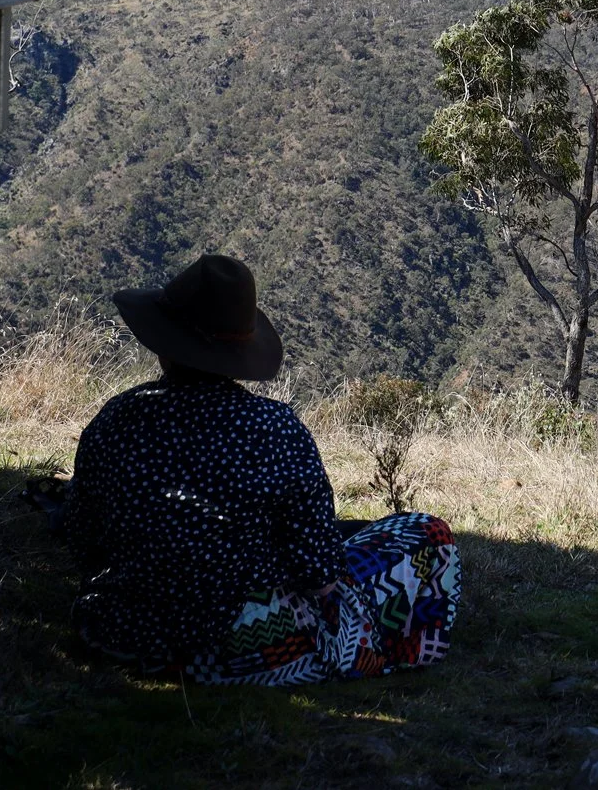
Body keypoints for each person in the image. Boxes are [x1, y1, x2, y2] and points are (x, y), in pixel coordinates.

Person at [62, 254, 459, 685]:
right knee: (427, 534)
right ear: (240, 352)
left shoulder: (117, 417)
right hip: (241, 648)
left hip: (124, 632)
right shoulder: (273, 428)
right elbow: (320, 573)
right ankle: (388, 651)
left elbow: (84, 537)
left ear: (164, 345)